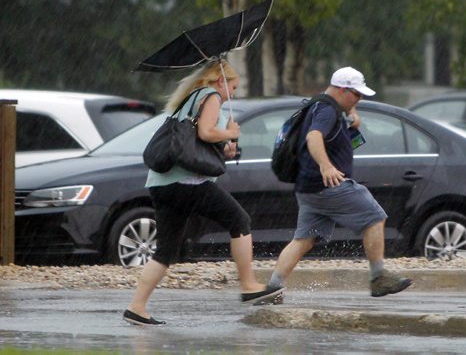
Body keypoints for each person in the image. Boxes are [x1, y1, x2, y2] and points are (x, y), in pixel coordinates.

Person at [123, 59, 284, 326]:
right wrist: (229, 131)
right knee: (239, 220)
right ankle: (248, 285)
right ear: (220, 81)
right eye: (233, 87)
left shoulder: (188, 100)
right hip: (187, 183)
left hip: (163, 184)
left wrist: (226, 146)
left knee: (165, 251)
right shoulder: (210, 95)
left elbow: (197, 141)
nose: (234, 93)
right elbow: (206, 131)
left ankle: (136, 307)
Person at [267, 66, 413, 300]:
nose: (360, 99)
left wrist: (351, 113)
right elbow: (313, 137)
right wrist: (326, 166)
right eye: (356, 94)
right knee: (375, 217)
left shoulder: (319, 104)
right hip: (328, 185)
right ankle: (378, 278)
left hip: (308, 188)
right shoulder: (327, 111)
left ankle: (273, 287)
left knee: (304, 239)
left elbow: (333, 120)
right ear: (342, 90)